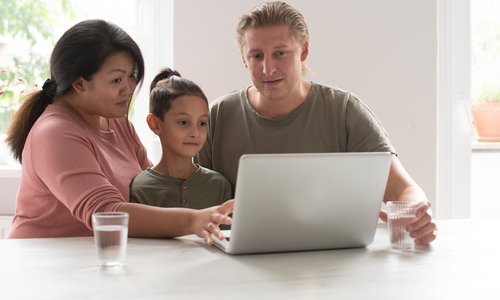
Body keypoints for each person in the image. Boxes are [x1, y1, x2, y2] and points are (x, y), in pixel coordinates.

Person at [197, 1, 437, 245]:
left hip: (333, 260)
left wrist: (417, 213)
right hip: (236, 264)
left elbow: (404, 189)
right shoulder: (216, 116)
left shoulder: (344, 111)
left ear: (303, 51)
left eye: (280, 53)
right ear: (244, 60)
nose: (268, 69)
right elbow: (180, 192)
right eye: (256, 56)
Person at [6, 19, 232, 244]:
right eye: (116, 80)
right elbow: (105, 213)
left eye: (131, 75)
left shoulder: (117, 123)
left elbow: (148, 187)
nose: (130, 88)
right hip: (40, 265)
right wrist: (193, 220)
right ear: (79, 83)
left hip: (95, 262)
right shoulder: (54, 133)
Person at [130, 68, 232, 210]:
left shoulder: (220, 186)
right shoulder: (141, 188)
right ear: (155, 124)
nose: (195, 133)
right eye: (184, 122)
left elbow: (229, 232)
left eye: (202, 123)